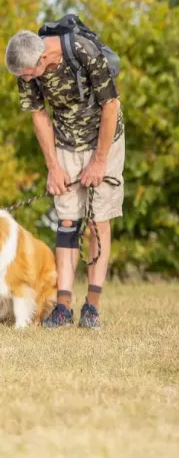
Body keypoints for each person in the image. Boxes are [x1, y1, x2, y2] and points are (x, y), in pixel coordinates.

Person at [5, 26, 126, 329]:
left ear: (44, 58)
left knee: (98, 221)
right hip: (66, 142)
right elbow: (39, 114)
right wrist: (53, 167)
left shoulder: (84, 52)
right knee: (67, 221)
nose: (27, 81)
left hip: (104, 138)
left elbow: (111, 106)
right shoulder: (26, 67)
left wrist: (99, 161)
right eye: (23, 77)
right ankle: (63, 308)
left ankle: (92, 308)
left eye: (29, 75)